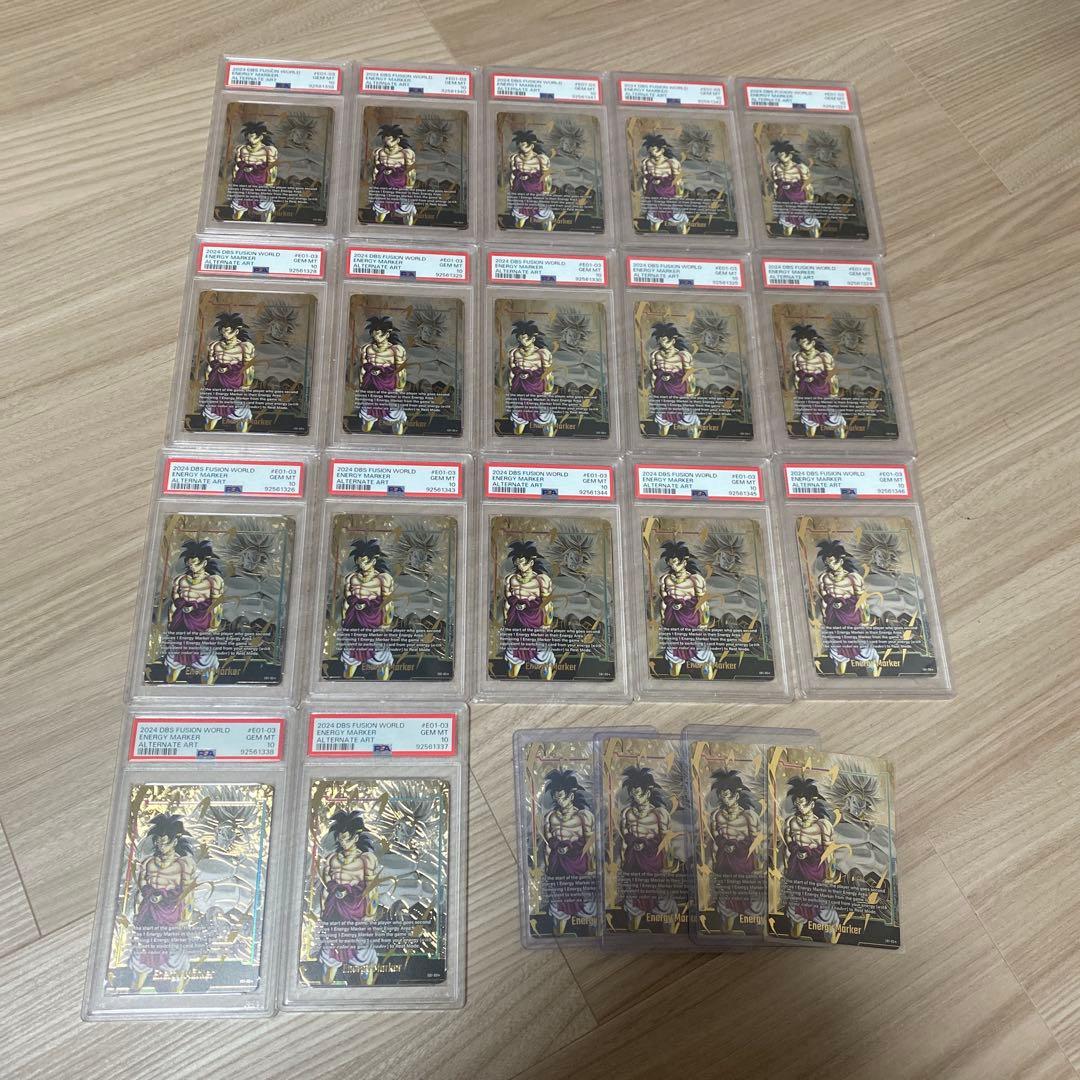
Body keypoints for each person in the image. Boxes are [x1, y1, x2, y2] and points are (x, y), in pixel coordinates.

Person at [130, 814, 197, 991]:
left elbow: (188, 891)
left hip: (171, 911)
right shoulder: (148, 862)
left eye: (165, 843)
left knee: (174, 950)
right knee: (146, 947)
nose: (161, 846)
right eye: (158, 842)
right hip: (149, 910)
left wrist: (186, 916)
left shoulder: (183, 864)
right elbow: (141, 883)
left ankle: (180, 986)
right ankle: (136, 986)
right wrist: (148, 894)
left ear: (174, 842)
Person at [317, 810, 380, 984]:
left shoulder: (366, 859)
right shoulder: (332, 859)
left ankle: (368, 991)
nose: (343, 843)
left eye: (347, 839)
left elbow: (372, 888)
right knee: (330, 955)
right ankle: (325, 990)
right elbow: (326, 888)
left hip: (356, 911)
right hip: (335, 912)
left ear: (356, 837)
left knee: (363, 956)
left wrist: (371, 913)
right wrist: (323, 910)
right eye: (340, 839)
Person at [619, 766, 679, 933]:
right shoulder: (627, 813)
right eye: (633, 793)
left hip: (655, 863)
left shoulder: (660, 814)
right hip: (634, 864)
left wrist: (668, 865)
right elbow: (624, 840)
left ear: (647, 793)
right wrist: (623, 862)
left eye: (639, 793)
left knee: (664, 903)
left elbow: (666, 842)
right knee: (633, 904)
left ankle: (671, 936)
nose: (636, 797)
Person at [782, 776, 840, 942]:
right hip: (796, 871)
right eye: (797, 804)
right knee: (796, 908)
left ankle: (831, 933)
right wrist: (787, 868)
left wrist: (830, 875)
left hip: (816, 872)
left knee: (821, 907)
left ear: (812, 804)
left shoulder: (823, 825)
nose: (800, 807)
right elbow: (788, 846)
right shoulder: (790, 822)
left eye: (803, 803)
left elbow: (830, 852)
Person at [542, 769, 596, 935]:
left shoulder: (584, 817)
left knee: (588, 907)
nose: (559, 800)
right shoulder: (550, 817)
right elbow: (548, 844)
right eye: (556, 797)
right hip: (558, 868)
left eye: (562, 796)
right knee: (558, 909)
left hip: (579, 866)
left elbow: (590, 842)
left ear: (571, 796)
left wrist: (592, 867)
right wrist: (548, 868)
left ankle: (592, 936)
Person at [707, 770, 762, 932]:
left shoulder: (749, 816)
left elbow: (756, 841)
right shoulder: (716, 815)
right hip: (724, 861)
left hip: (744, 861)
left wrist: (757, 862)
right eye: (722, 796)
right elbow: (715, 836)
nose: (724, 799)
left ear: (736, 796)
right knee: (726, 896)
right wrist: (722, 846)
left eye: (727, 796)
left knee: (746, 895)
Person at [816, 539, 880, 676]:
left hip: (852, 618)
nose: (830, 565)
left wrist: (865, 620)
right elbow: (824, 600)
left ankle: (875, 679)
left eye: (833, 561)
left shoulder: (853, 578)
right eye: (827, 562)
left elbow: (862, 600)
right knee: (838, 655)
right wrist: (826, 619)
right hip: (834, 620)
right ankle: (840, 680)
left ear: (840, 561)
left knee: (865, 652)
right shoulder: (823, 578)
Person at [164, 539, 223, 684]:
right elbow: (174, 602)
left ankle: (207, 690)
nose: (192, 567)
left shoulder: (213, 581)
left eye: (196, 564)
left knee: (206, 662)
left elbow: (217, 604)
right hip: (181, 623)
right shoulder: (180, 579)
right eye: (190, 564)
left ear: (204, 563)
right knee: (174, 663)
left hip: (201, 623)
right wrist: (171, 620)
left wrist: (215, 624)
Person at [658, 539, 715, 679]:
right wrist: (664, 619)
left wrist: (704, 622)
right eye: (671, 563)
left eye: (676, 563)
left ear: (684, 562)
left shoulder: (695, 580)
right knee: (674, 658)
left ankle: (709, 681)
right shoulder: (665, 579)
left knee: (702, 655)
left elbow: (703, 602)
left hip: (691, 620)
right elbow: (664, 602)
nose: (674, 566)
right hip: (673, 622)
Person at [340, 538, 395, 681]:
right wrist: (344, 620)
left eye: (365, 561)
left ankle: (384, 687)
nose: (362, 565)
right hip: (354, 622)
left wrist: (387, 623)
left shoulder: (383, 579)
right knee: (350, 660)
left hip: (374, 622)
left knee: (381, 658)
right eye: (360, 561)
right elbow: (346, 602)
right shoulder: (351, 578)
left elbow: (388, 603)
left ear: (374, 561)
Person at [502, 540, 555, 680]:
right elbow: (507, 601)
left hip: (535, 620)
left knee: (542, 654)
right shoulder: (510, 579)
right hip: (516, 620)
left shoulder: (541, 580)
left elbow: (548, 603)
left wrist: (547, 623)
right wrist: (507, 619)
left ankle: (547, 682)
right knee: (514, 655)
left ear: (531, 562)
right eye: (517, 563)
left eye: (523, 563)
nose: (520, 566)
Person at [790, 323, 846, 438]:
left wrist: (834, 394)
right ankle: (810, 443)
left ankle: (842, 441)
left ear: (812, 342)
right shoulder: (796, 357)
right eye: (800, 342)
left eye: (805, 342)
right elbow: (797, 376)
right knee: (809, 421)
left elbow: (832, 376)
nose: (802, 344)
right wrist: (798, 390)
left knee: (835, 419)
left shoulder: (824, 357)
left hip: (822, 391)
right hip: (806, 392)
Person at [203, 313, 254, 432]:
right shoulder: (214, 345)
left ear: (236, 331)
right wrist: (207, 379)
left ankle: (242, 437)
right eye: (223, 331)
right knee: (211, 413)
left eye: (228, 331)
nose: (224, 334)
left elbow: (249, 368)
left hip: (235, 383)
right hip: (216, 383)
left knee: (240, 413)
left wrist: (247, 385)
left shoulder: (245, 347)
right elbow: (210, 365)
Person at [649, 322, 701, 438]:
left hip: (679, 391)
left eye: (665, 340)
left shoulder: (683, 355)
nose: (663, 343)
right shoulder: (655, 355)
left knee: (689, 419)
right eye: (661, 340)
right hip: (662, 391)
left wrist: (691, 391)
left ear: (673, 341)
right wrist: (653, 387)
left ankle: (695, 442)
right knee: (663, 421)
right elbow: (654, 374)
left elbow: (689, 375)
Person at [357, 316, 408, 435]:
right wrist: (361, 384)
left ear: (387, 334)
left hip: (388, 386)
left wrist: (400, 387)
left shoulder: (396, 350)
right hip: (370, 386)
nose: (377, 338)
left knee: (395, 419)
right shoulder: (366, 348)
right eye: (375, 335)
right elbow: (363, 368)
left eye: (380, 335)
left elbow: (401, 371)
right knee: (367, 424)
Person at [507, 319, 556, 437]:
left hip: (537, 389)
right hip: (520, 390)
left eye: (525, 338)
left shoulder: (542, 353)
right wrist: (511, 387)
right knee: (518, 419)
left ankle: (550, 441)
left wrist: (548, 390)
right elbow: (512, 372)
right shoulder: (514, 352)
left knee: (545, 418)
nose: (523, 341)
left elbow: (548, 373)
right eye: (520, 338)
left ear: (533, 339)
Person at [769, 139, 820, 237]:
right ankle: (787, 240)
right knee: (786, 221)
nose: (780, 156)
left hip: (798, 196)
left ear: (790, 155)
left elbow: (808, 184)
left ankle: (815, 238)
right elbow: (775, 183)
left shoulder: (800, 167)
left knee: (807, 220)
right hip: (783, 196)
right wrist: (775, 195)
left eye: (782, 154)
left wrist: (809, 199)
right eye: (778, 154)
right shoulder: (775, 167)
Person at [640, 134, 689, 234]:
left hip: (669, 194)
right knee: (654, 220)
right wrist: (645, 192)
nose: (652, 152)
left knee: (679, 219)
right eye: (650, 149)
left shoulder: (672, 163)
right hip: (654, 195)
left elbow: (678, 180)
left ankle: (684, 238)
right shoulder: (646, 162)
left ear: (662, 150)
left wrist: (679, 195)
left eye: (654, 149)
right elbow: (645, 179)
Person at [230, 121, 278, 222]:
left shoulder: (268, 150)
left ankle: (266, 228)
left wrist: (271, 182)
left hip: (259, 182)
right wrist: (235, 177)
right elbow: (237, 164)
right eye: (248, 136)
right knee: (238, 213)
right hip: (243, 181)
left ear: (260, 137)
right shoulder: (241, 149)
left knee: (265, 209)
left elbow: (272, 167)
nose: (249, 139)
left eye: (252, 136)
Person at [508, 130, 555, 230]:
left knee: (544, 215)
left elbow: (547, 176)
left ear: (531, 146)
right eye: (520, 144)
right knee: (519, 220)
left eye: (524, 145)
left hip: (536, 190)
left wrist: (547, 190)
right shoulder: (515, 158)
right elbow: (513, 174)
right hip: (520, 190)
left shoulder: (541, 159)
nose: (521, 147)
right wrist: (512, 186)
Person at [371, 124, 417, 225]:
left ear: (397, 140)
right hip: (383, 185)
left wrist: (410, 186)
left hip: (400, 185)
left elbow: (411, 171)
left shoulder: (406, 153)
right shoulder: (379, 152)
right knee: (380, 214)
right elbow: (376, 168)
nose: (387, 142)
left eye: (390, 139)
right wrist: (374, 181)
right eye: (385, 139)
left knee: (406, 211)